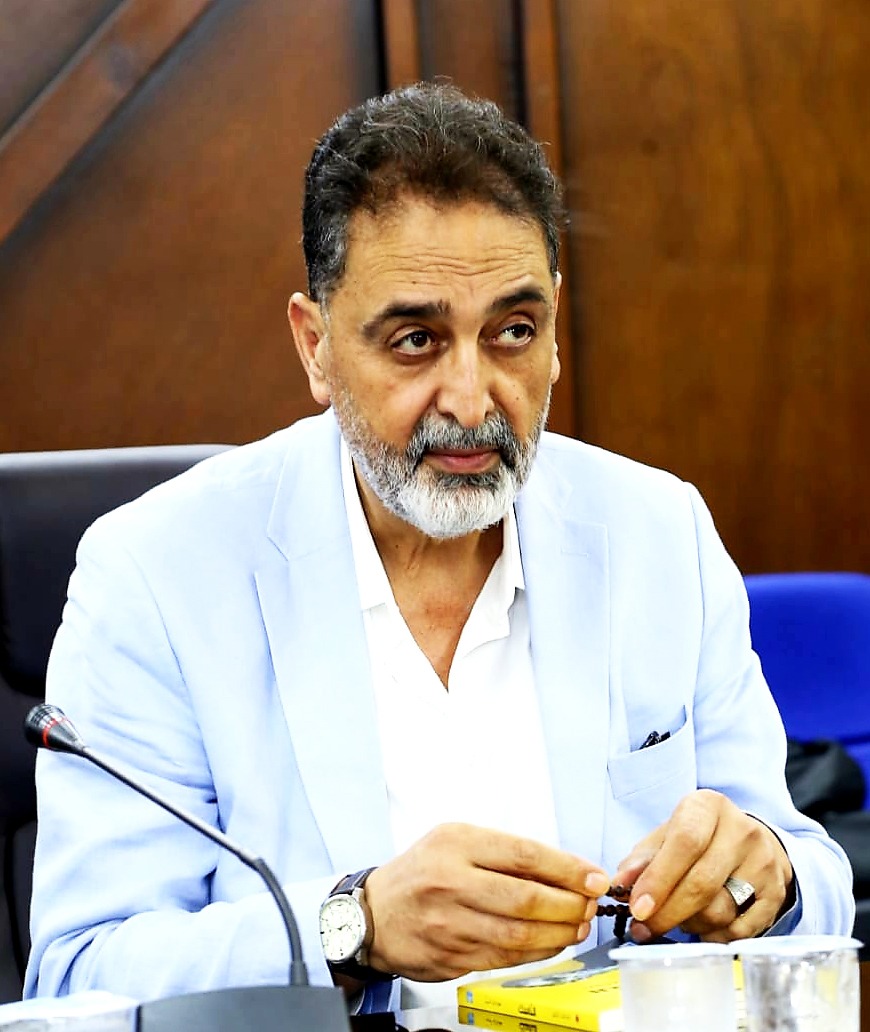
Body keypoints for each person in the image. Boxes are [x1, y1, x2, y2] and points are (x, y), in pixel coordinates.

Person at [25, 82, 853, 1013]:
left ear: (555, 329)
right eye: (416, 340)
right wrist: (358, 926)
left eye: (513, 332)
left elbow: (811, 878)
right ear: (315, 347)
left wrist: (766, 876)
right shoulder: (156, 572)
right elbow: (79, 976)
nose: (471, 398)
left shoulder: (658, 533)